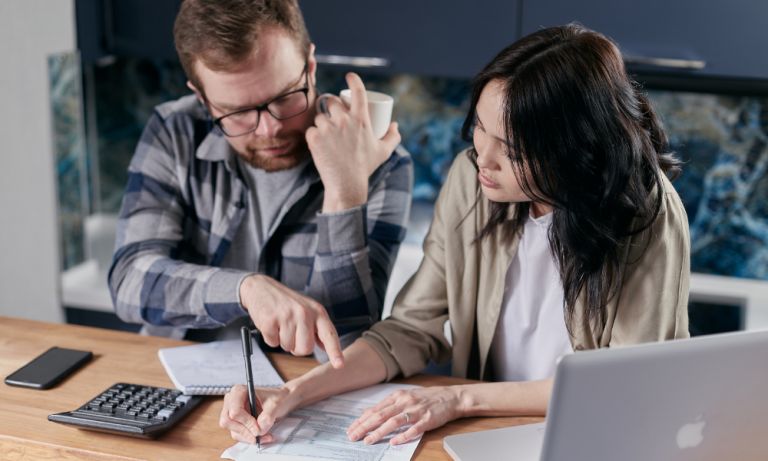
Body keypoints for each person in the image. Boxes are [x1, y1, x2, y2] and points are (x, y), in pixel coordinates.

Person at [220, 24, 690, 445]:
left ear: (574, 150)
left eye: (511, 150)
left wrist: (460, 399)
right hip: (486, 435)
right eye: (481, 128)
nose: (483, 158)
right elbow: (409, 329)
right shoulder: (472, 181)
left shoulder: (647, 212)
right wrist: (293, 392)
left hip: (593, 437)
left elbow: (623, 384)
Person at [108, 0, 413, 367]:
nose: (270, 129)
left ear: (310, 67)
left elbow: (346, 351)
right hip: (176, 374)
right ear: (203, 98)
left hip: (305, 388)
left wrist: (344, 194)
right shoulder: (175, 131)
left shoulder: (381, 162)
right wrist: (245, 289)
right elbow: (128, 282)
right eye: (236, 112)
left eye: (284, 97)